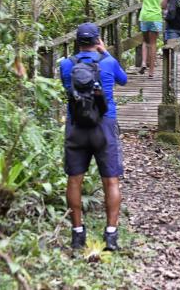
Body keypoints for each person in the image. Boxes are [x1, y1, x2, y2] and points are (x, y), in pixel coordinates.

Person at [59, 23, 128, 251]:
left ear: (77, 42)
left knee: (74, 179)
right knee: (111, 180)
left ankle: (78, 234)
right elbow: (123, 80)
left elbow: (67, 87)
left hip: (76, 126)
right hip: (104, 125)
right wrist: (105, 52)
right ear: (97, 40)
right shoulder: (108, 62)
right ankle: (111, 235)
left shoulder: (66, 65)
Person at [137, 0, 168, 77]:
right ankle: (151, 71)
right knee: (153, 43)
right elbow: (164, 4)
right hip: (155, 17)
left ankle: (143, 63)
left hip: (144, 16)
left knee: (145, 42)